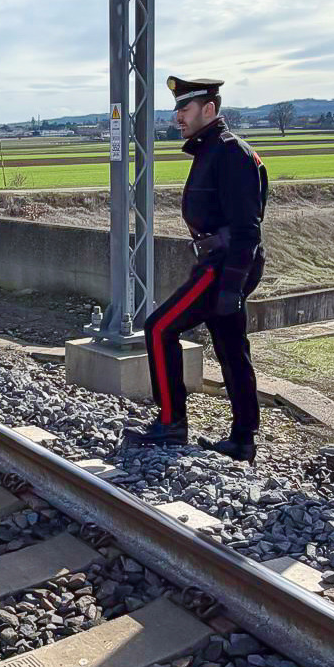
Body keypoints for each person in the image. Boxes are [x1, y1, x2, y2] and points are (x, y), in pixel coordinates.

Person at [123, 76, 268, 463]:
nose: (177, 118)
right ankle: (242, 439)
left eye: (184, 110)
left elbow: (247, 228)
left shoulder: (231, 153)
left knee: (158, 328)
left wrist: (231, 287)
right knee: (231, 348)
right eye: (176, 110)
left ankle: (171, 424)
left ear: (209, 109)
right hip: (217, 263)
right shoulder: (211, 151)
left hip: (224, 266)